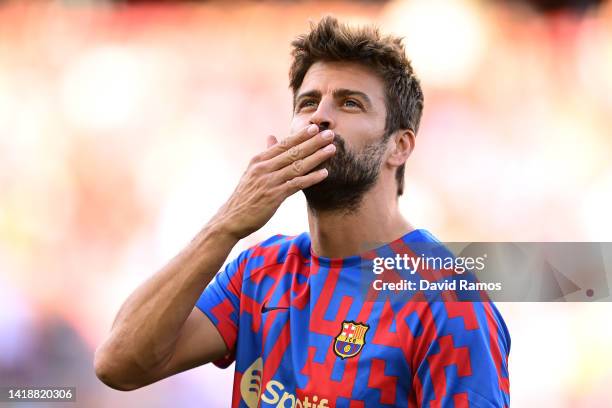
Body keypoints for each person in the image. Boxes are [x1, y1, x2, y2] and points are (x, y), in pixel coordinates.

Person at [94, 16, 510, 407]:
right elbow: (120, 363)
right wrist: (226, 225)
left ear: (399, 146)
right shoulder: (260, 272)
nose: (321, 118)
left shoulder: (446, 300)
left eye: (349, 104)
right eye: (308, 103)